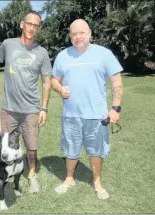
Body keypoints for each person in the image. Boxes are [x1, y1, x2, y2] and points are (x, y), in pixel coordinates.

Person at [51, 19, 123, 199]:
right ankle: (69, 179)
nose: (78, 37)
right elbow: (54, 80)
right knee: (70, 150)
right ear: (70, 36)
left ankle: (97, 182)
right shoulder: (63, 56)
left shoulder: (104, 54)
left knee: (96, 151)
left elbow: (116, 81)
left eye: (81, 33)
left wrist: (115, 109)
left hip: (97, 115)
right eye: (74, 34)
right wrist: (60, 89)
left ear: (89, 33)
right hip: (71, 115)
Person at [0, 10, 52, 193]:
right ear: (22, 24)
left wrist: (44, 108)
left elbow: (46, 80)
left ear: (38, 28)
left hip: (31, 109)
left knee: (31, 146)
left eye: (36, 25)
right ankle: (4, 175)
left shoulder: (42, 52)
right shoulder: (8, 44)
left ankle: (31, 175)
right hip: (8, 108)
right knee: (5, 146)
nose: (32, 28)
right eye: (29, 24)